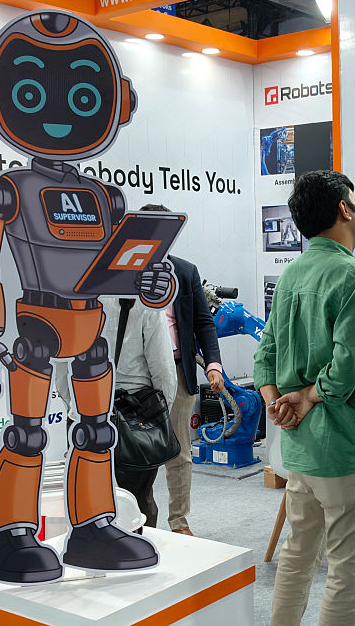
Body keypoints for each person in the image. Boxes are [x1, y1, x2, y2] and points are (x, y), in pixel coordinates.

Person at [255, 170, 355, 626]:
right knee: (347, 570)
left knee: (297, 555)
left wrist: (278, 401)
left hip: (302, 449)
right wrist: (309, 397)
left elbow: (266, 352)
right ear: (343, 208)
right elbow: (347, 371)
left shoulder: (291, 274)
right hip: (349, 447)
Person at [139, 204, 225, 536]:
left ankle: (179, 521)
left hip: (178, 370)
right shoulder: (124, 271)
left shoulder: (185, 271)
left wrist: (213, 365)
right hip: (138, 375)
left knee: (179, 451)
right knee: (137, 450)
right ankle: (141, 517)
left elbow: (204, 324)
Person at [55, 298, 176, 528]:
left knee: (88, 502)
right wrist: (159, 416)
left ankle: (94, 558)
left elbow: (61, 368)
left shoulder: (69, 297)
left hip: (84, 417)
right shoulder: (144, 299)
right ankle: (141, 554)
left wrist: (75, 407)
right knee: (137, 502)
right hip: (137, 420)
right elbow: (163, 369)